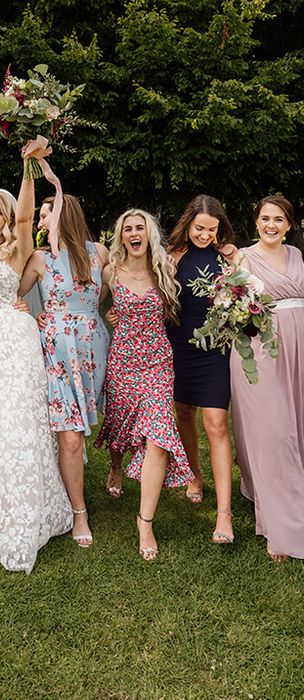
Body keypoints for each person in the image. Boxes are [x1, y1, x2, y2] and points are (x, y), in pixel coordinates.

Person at [0, 143, 72, 573]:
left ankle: (24, 505)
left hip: (12, 338)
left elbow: (27, 216)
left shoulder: (17, 248)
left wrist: (27, 166)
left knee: (15, 420)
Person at [95, 209, 193, 560]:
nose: (134, 233)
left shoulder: (166, 268)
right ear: (120, 237)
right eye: (128, 229)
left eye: (140, 228)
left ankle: (145, 520)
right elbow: (86, 305)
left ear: (149, 234)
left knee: (158, 435)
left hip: (157, 363)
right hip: (122, 361)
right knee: (121, 428)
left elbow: (202, 251)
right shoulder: (110, 272)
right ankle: (117, 466)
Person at [18, 173, 109, 548]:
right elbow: (10, 294)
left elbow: (121, 286)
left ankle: (112, 474)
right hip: (55, 351)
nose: (41, 223)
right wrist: (29, 312)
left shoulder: (99, 252)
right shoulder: (41, 257)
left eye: (46, 216)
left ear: (63, 217)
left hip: (93, 349)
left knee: (90, 428)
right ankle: (78, 512)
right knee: (70, 437)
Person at [230, 195, 304, 561]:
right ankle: (280, 525)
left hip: (299, 348)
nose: (271, 225)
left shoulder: (297, 256)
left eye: (278, 219)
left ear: (289, 224)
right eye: (264, 218)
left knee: (297, 424)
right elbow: (231, 306)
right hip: (260, 352)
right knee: (275, 432)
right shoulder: (242, 257)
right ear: (256, 222)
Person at [165, 195, 239, 544]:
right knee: (184, 413)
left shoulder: (228, 258)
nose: (205, 235)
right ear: (188, 224)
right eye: (199, 228)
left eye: (212, 229)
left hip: (215, 350)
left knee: (216, 422)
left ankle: (224, 513)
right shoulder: (172, 255)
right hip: (178, 344)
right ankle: (194, 474)